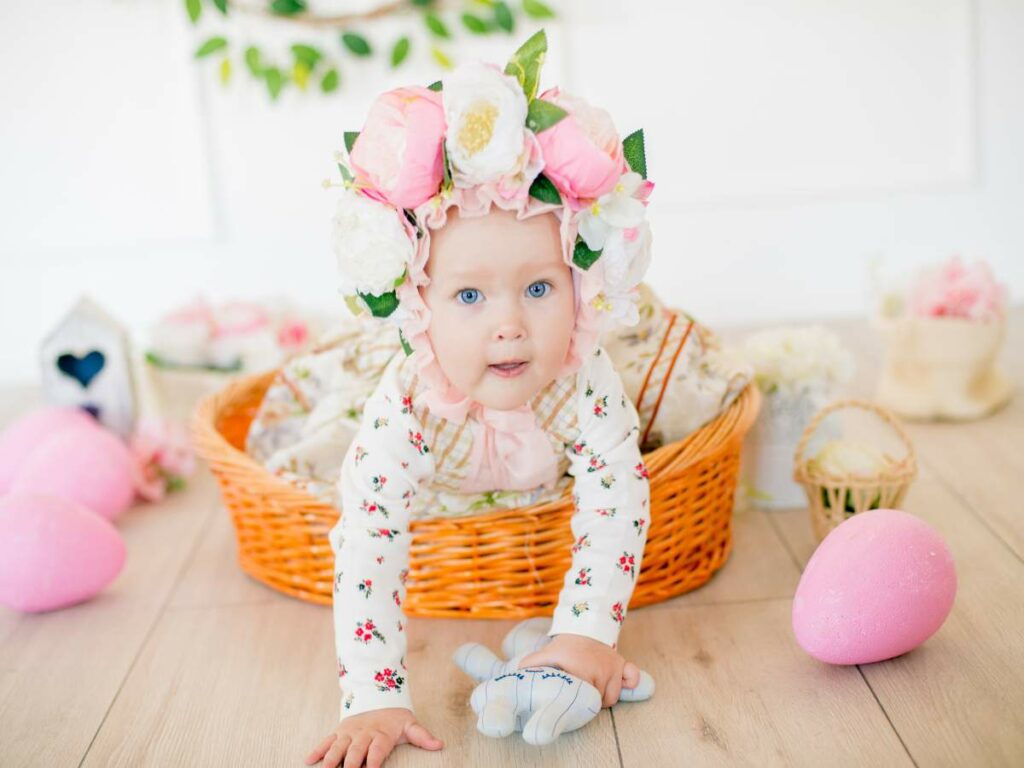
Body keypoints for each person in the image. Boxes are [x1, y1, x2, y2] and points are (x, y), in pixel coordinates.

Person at [304, 31, 654, 768]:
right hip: (434, 456)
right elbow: (369, 536)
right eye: (468, 294)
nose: (510, 325)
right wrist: (375, 694)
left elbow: (616, 497)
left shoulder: (580, 377)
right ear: (421, 302)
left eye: (538, 288)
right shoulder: (408, 401)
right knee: (323, 427)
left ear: (580, 285)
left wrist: (587, 633)